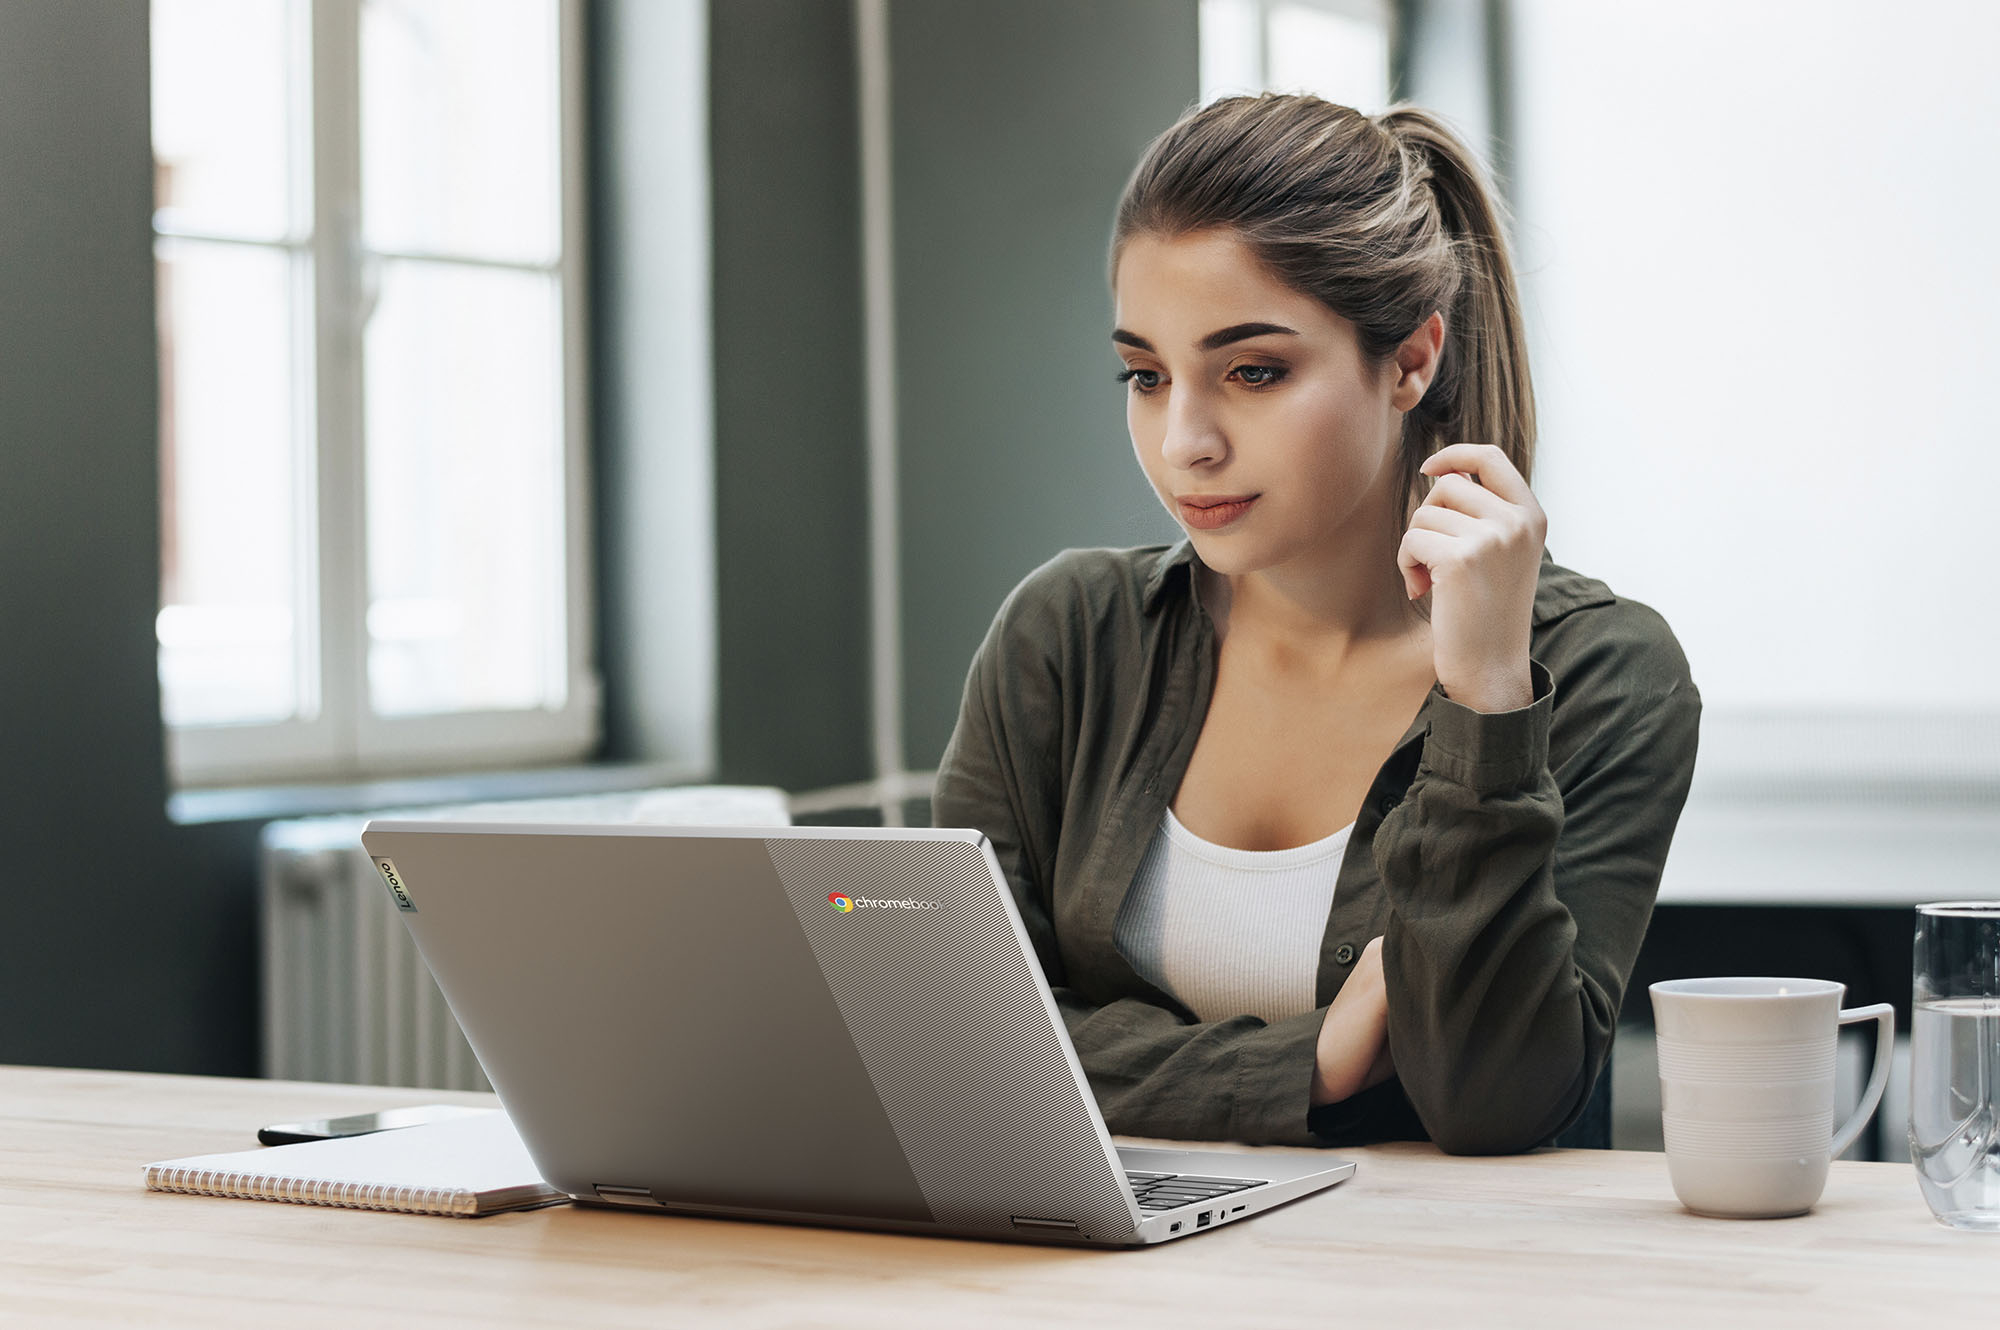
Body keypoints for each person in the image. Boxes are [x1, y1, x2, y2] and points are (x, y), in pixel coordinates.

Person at [930, 94, 1701, 1155]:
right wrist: (1309, 1063)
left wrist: (1483, 698)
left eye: (1251, 370)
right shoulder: (1065, 638)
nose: (1182, 441)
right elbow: (954, 1045)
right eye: (1146, 376)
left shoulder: (1602, 670)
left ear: (1409, 361)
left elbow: (1491, 1101)